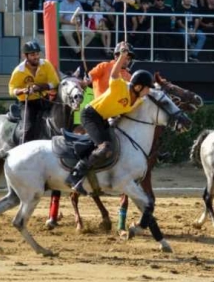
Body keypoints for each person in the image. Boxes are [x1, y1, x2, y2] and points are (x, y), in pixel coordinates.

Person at [66, 45, 154, 195]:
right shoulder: (108, 68)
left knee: (117, 145)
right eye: (125, 57)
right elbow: (94, 78)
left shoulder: (130, 79)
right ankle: (75, 175)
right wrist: (84, 82)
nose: (127, 60)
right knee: (105, 147)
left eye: (129, 58)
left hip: (108, 115)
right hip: (92, 113)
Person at [7, 40, 61, 143]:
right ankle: (22, 149)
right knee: (28, 128)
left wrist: (40, 87)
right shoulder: (19, 71)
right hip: (27, 103)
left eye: (37, 54)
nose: (36, 57)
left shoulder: (46, 65)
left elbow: (55, 83)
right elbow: (11, 90)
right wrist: (23, 90)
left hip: (45, 100)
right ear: (25, 56)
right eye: (32, 54)